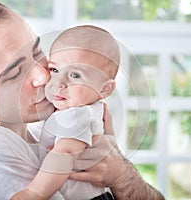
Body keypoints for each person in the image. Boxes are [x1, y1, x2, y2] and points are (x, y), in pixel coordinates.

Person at [0, 0, 165, 199]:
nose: (43, 75)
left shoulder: (45, 127)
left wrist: (121, 174)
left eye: (37, 52)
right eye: (15, 73)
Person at [12, 25, 120, 200]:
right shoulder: (80, 110)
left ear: (105, 89)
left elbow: (65, 154)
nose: (59, 83)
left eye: (75, 75)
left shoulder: (78, 115)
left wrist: (36, 192)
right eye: (54, 70)